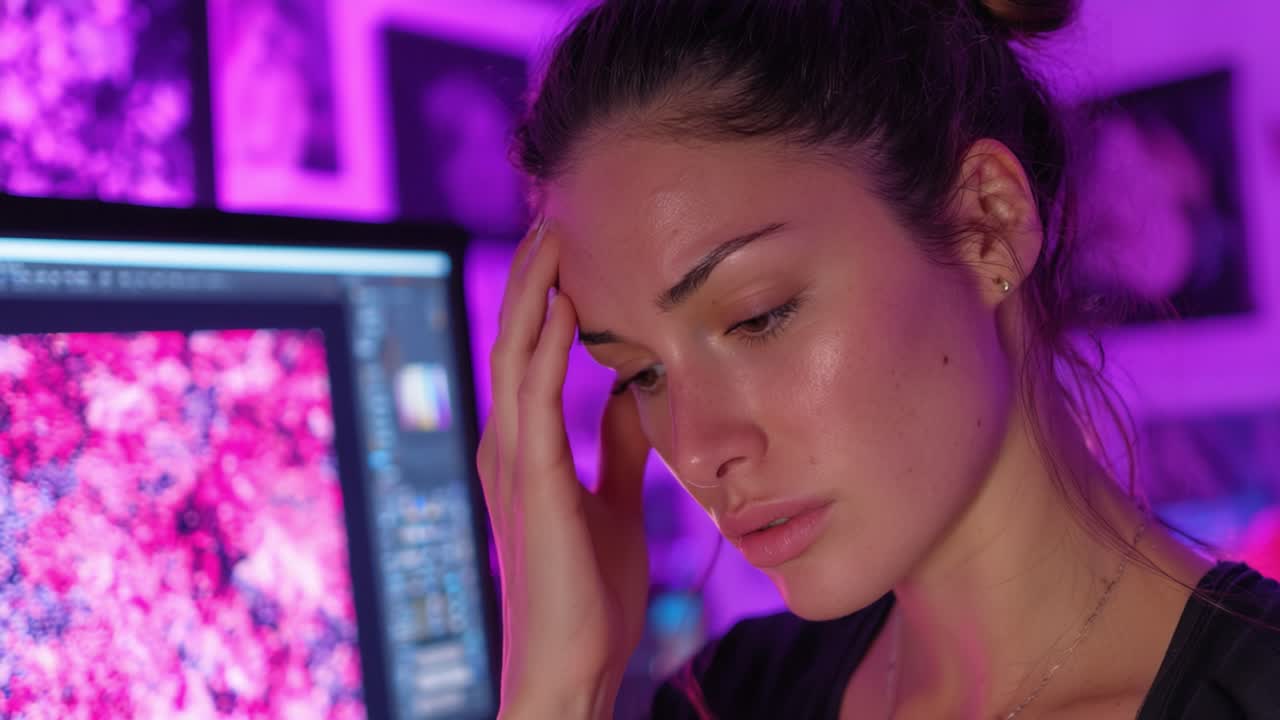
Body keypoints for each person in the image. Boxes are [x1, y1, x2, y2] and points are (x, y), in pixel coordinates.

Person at [475, 1, 1280, 718]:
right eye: (642, 373)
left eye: (758, 317)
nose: (693, 452)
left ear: (987, 224)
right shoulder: (730, 694)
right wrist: (556, 693)